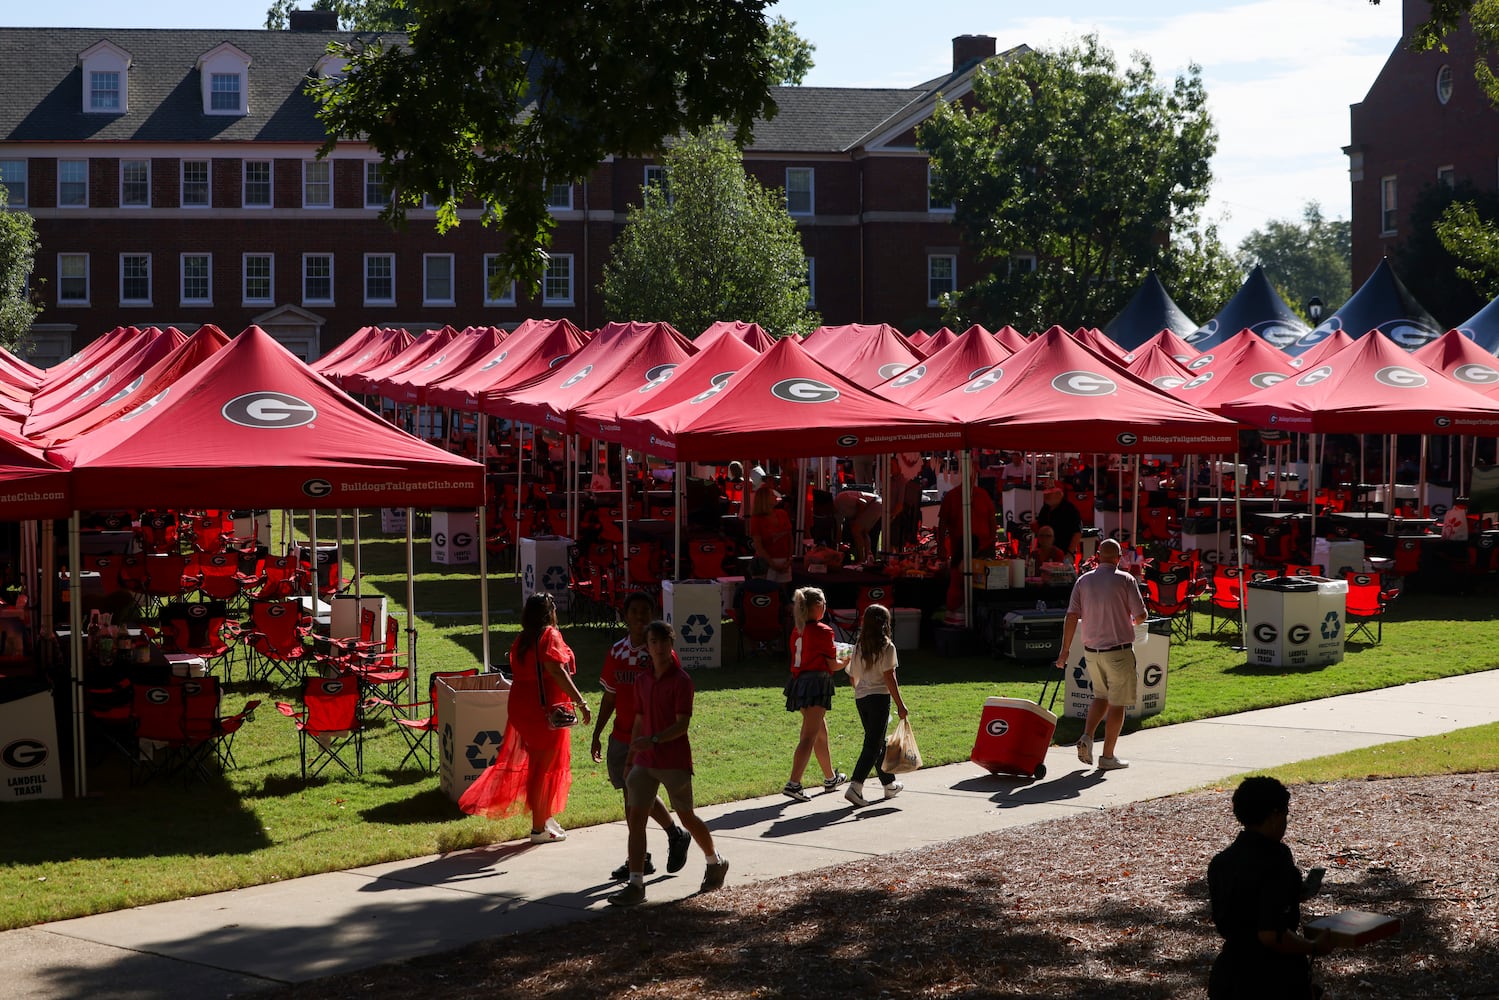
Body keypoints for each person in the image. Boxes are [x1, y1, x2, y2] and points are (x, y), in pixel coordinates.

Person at [607, 620, 730, 906]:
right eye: (654, 642)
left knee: (686, 817)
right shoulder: (642, 681)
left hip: (673, 760)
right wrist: (630, 758)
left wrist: (653, 740)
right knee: (636, 819)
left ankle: (715, 861)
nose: (659, 647)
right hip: (644, 761)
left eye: (664, 641)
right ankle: (636, 884)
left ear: (671, 644)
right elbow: (638, 720)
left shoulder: (682, 681)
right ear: (647, 647)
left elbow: (682, 725)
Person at [459, 593, 593, 842]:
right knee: (544, 768)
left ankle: (544, 816)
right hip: (544, 710)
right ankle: (538, 828)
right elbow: (557, 670)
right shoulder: (549, 635)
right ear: (549, 612)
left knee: (538, 766)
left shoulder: (523, 638)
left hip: (522, 706)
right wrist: (580, 701)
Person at [590, 592, 693, 882]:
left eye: (645, 611)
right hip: (622, 735)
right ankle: (664, 841)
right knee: (632, 796)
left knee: (635, 798)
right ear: (624, 616)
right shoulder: (617, 652)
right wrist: (598, 732)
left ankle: (642, 856)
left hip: (651, 737)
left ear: (654, 614)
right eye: (633, 611)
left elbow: (674, 692)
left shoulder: (660, 653)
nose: (639, 616)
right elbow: (610, 697)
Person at [1207, 776, 1335, 998]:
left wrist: (1291, 895)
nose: (1285, 821)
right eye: (1285, 813)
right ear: (1274, 816)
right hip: (1271, 979)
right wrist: (1314, 946)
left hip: (1229, 975)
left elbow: (1248, 903)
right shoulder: (1275, 860)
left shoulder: (1221, 862)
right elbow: (1271, 934)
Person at [1055, 539, 1146, 771]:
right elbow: (1141, 615)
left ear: (1097, 555)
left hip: (1092, 652)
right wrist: (1130, 620)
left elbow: (1071, 616)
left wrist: (1065, 651)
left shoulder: (1083, 580)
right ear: (1119, 557)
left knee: (1100, 696)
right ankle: (1107, 757)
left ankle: (1087, 736)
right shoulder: (1126, 579)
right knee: (1117, 703)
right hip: (1118, 651)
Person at [782, 586, 846, 801]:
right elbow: (833, 664)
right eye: (824, 603)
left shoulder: (797, 629)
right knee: (808, 736)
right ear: (817, 606)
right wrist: (849, 659)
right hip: (816, 684)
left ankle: (830, 778)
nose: (825, 607)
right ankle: (794, 784)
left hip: (799, 683)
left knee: (820, 732)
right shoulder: (824, 631)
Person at [842, 604, 908, 808]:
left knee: (877, 741)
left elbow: (852, 676)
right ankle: (855, 786)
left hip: (861, 698)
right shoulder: (887, 647)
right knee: (872, 744)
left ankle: (889, 784)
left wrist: (861, 689)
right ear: (886, 623)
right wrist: (901, 705)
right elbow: (890, 677)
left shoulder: (859, 646)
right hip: (879, 698)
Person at [935, 463, 996, 616]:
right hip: (960, 551)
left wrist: (992, 541)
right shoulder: (951, 496)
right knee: (959, 584)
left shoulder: (983, 495)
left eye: (973, 474)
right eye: (968, 474)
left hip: (983, 549)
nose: (971, 477)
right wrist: (941, 545)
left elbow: (992, 520)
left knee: (982, 588)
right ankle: (958, 613)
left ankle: (977, 615)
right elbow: (942, 522)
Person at [749, 484, 795, 585]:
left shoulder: (782, 514)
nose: (775, 497)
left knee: (782, 591)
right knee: (767, 590)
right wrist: (772, 564)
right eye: (772, 495)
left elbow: (790, 538)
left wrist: (789, 560)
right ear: (765, 499)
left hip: (784, 560)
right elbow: (758, 546)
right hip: (765, 563)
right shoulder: (756, 519)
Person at [833, 489, 882, 563]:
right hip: (873, 504)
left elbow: (862, 502)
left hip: (875, 503)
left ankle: (861, 559)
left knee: (856, 529)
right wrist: (838, 546)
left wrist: (856, 518)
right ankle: (868, 558)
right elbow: (839, 530)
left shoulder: (840, 499)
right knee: (863, 532)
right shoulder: (836, 513)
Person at [1036, 484, 1083, 555]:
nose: (1046, 496)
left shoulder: (1070, 509)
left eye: (1049, 494)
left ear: (1059, 494)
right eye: (1045, 494)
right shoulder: (1045, 509)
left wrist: (1069, 553)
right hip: (1045, 552)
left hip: (1063, 551)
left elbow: (1077, 533)